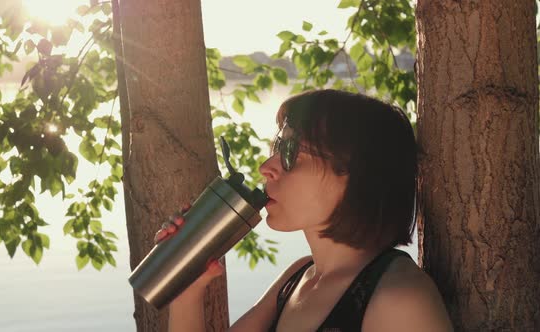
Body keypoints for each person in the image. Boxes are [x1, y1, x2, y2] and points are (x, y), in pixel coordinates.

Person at [156, 89, 453, 331]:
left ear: (359, 176)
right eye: (277, 147)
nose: (265, 168)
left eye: (290, 153)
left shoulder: (400, 301)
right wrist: (187, 290)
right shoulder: (297, 277)